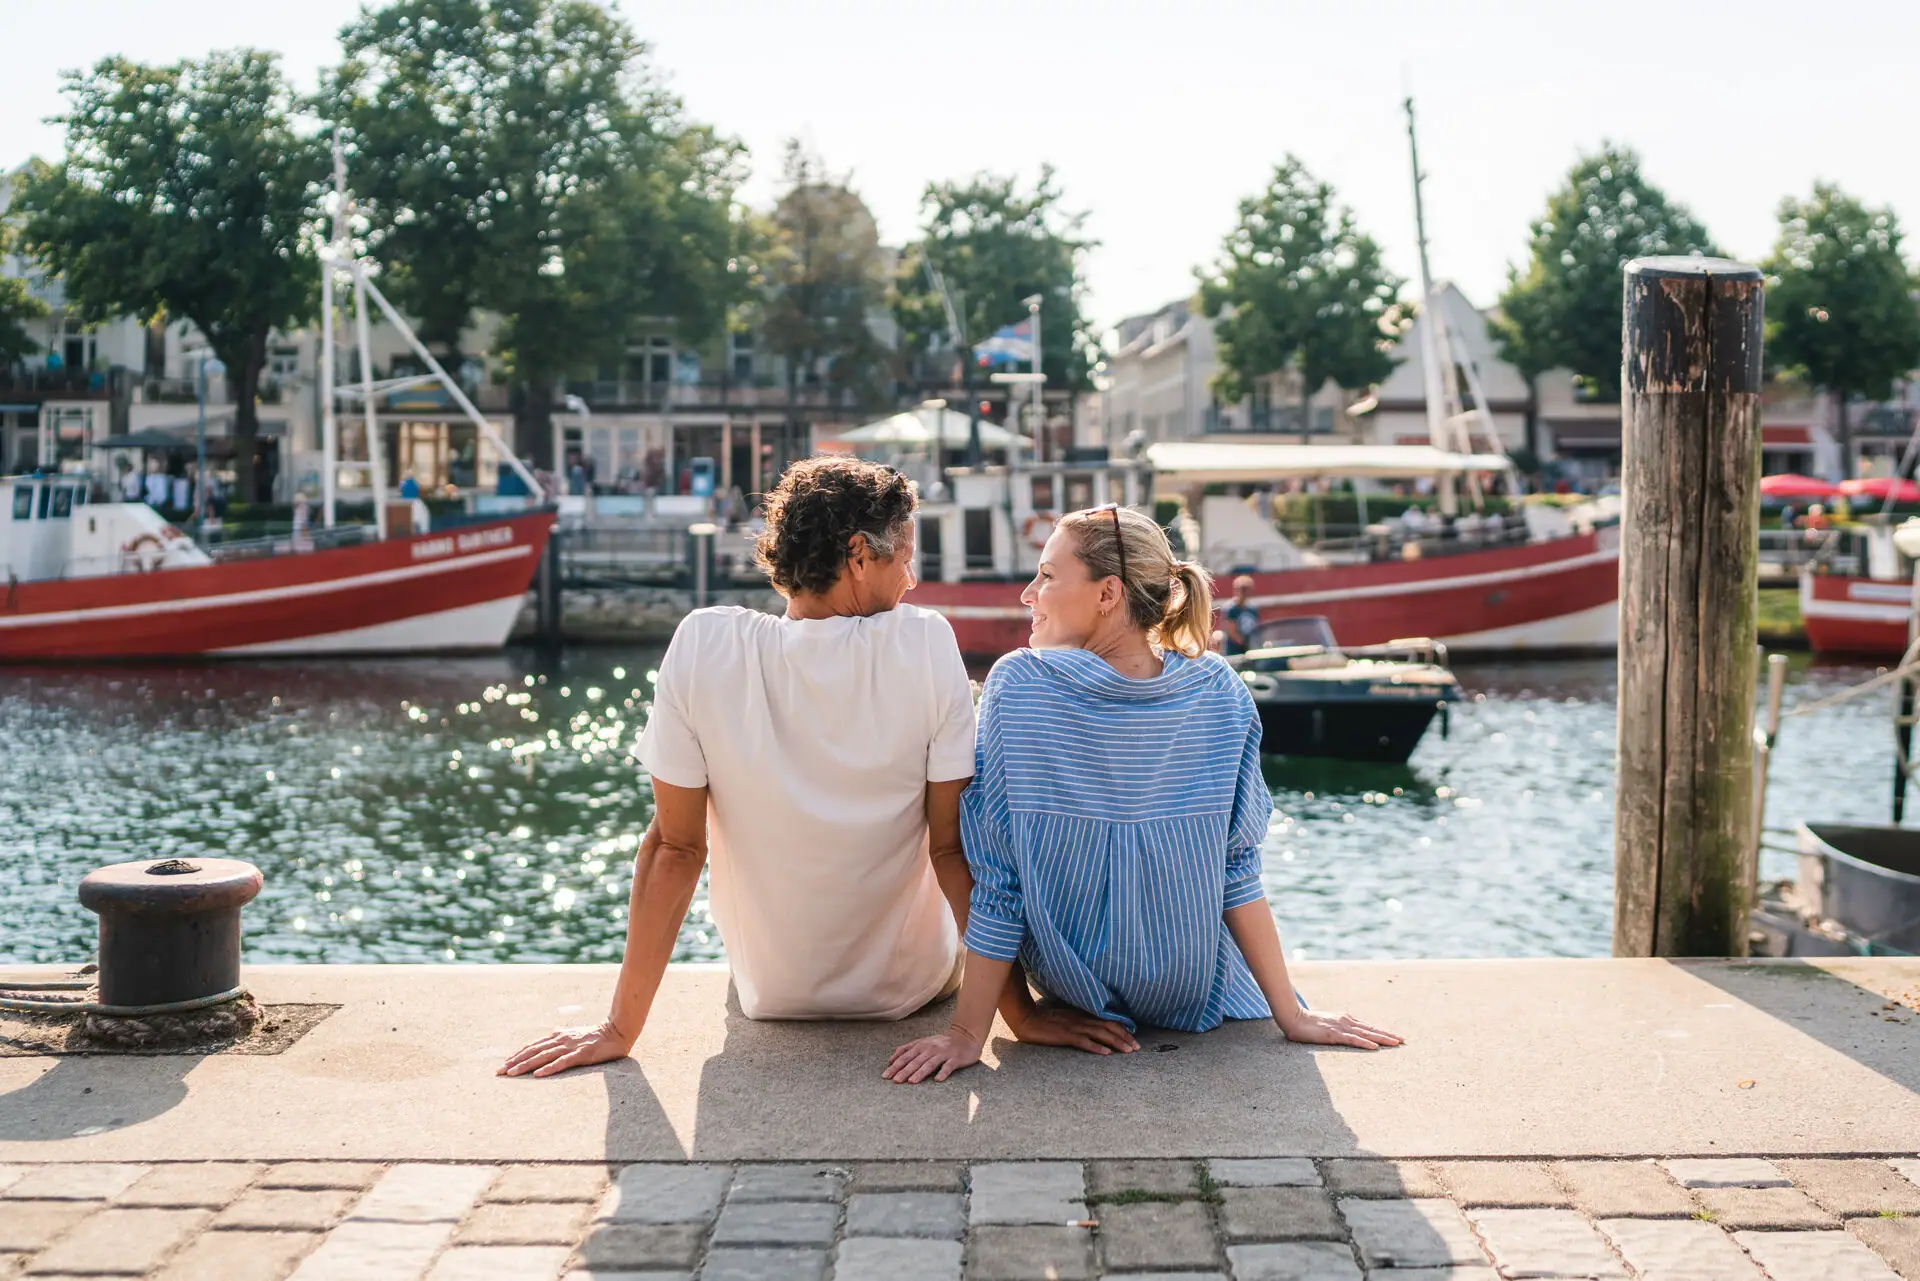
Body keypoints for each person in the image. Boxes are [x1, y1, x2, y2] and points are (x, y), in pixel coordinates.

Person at [502, 458, 1130, 1079]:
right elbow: (954, 849)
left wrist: (619, 1030)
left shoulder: (703, 643)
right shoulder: (924, 643)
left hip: (771, 992)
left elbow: (674, 847)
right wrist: (1018, 1015)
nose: (911, 580)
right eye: (904, 556)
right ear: (859, 556)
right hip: (906, 989)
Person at [885, 505, 1400, 1084]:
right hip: (1194, 991)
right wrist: (1291, 1013)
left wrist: (968, 1034)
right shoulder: (1219, 689)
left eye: (1048, 576)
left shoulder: (1020, 685)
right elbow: (1237, 870)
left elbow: (999, 877)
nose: (1030, 594)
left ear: (1108, 593)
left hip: (1075, 990)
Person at [1219, 574, 1260, 655]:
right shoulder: (1230, 608)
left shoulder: (1252, 609)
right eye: (1241, 589)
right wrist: (1245, 644)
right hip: (1234, 651)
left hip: (1251, 650)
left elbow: (1256, 628)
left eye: (1246, 589)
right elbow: (1231, 632)